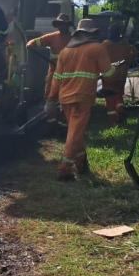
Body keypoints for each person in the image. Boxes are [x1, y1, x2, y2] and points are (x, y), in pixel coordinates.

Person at [47, 19, 116, 180]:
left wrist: (51, 98)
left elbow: (56, 78)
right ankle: (65, 169)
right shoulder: (97, 49)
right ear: (92, 33)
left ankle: (81, 162)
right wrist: (114, 67)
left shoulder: (65, 52)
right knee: (74, 133)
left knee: (76, 131)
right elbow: (108, 74)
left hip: (65, 98)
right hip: (82, 97)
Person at [27, 13, 73, 123]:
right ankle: (51, 120)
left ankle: (65, 120)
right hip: (54, 70)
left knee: (67, 95)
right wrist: (30, 44)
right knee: (50, 93)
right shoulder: (52, 37)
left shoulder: (74, 38)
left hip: (69, 72)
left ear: (68, 25)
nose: (62, 27)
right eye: (59, 24)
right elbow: (35, 42)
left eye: (64, 24)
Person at [101, 22, 138, 125]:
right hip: (121, 75)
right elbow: (133, 54)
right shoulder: (125, 44)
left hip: (108, 76)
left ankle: (113, 121)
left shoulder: (105, 44)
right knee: (118, 95)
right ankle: (120, 108)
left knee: (109, 98)